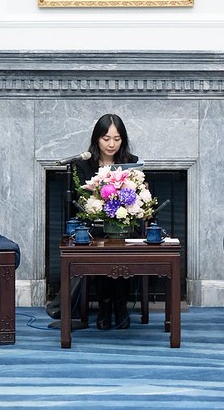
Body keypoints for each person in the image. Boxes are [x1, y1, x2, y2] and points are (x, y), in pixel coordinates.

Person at [73, 113, 139, 330]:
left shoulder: (131, 162)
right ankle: (105, 305)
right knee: (102, 246)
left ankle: (119, 305)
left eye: (117, 139)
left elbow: (137, 196)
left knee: (122, 246)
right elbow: (80, 201)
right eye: (106, 138)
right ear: (97, 139)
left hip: (124, 227)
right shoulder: (83, 165)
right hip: (95, 227)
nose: (111, 144)